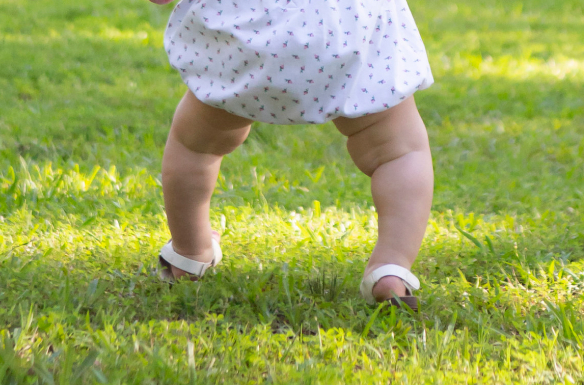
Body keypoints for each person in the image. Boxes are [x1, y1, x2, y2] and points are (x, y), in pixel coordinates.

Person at [152, 0, 434, 310]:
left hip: (245, 32)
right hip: (345, 28)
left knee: (195, 145)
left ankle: (189, 254)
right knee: (398, 152)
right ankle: (391, 268)